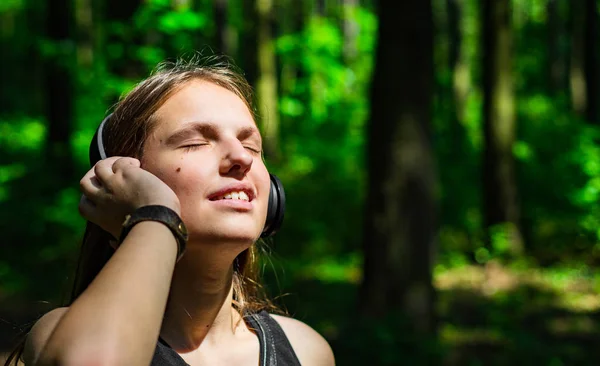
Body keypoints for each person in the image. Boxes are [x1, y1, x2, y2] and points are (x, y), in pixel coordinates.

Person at [5, 57, 335, 366]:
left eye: (251, 145)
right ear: (125, 182)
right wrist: (155, 215)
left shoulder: (308, 352)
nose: (242, 157)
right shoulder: (61, 334)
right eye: (195, 142)